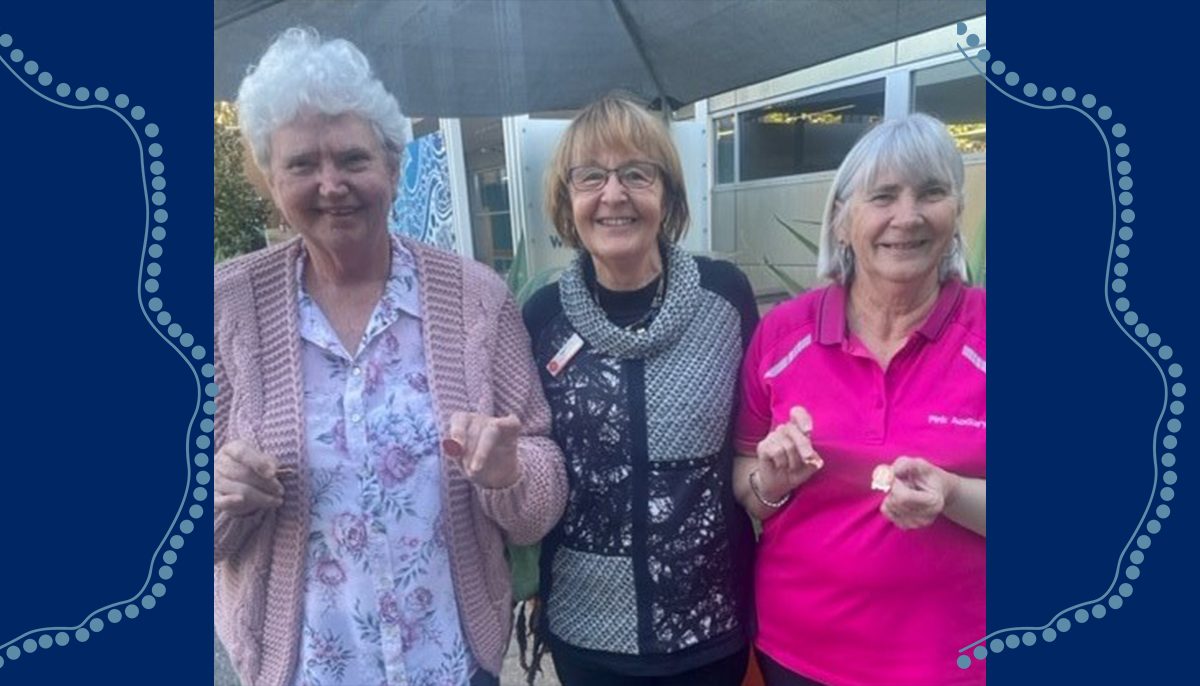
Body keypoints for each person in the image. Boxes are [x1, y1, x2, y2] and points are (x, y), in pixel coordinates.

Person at [213, 28, 566, 686]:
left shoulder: (478, 299)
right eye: (301, 165)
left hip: (454, 664)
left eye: (352, 158)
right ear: (270, 179)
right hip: (304, 669)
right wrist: (223, 494)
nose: (330, 184)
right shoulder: (222, 309)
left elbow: (541, 493)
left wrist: (509, 473)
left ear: (395, 168)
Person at [733, 113, 986, 686]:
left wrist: (951, 493)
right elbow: (745, 475)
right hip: (796, 655)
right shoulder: (783, 334)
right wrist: (770, 483)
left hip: (954, 662)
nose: (908, 216)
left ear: (955, 214)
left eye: (932, 192)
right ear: (842, 221)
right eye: (883, 196)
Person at [522, 95, 759, 685]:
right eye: (590, 176)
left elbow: (755, 440)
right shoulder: (543, 316)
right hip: (585, 627)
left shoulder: (725, 298)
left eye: (636, 173)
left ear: (669, 194)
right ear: (566, 198)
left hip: (710, 623)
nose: (613, 194)